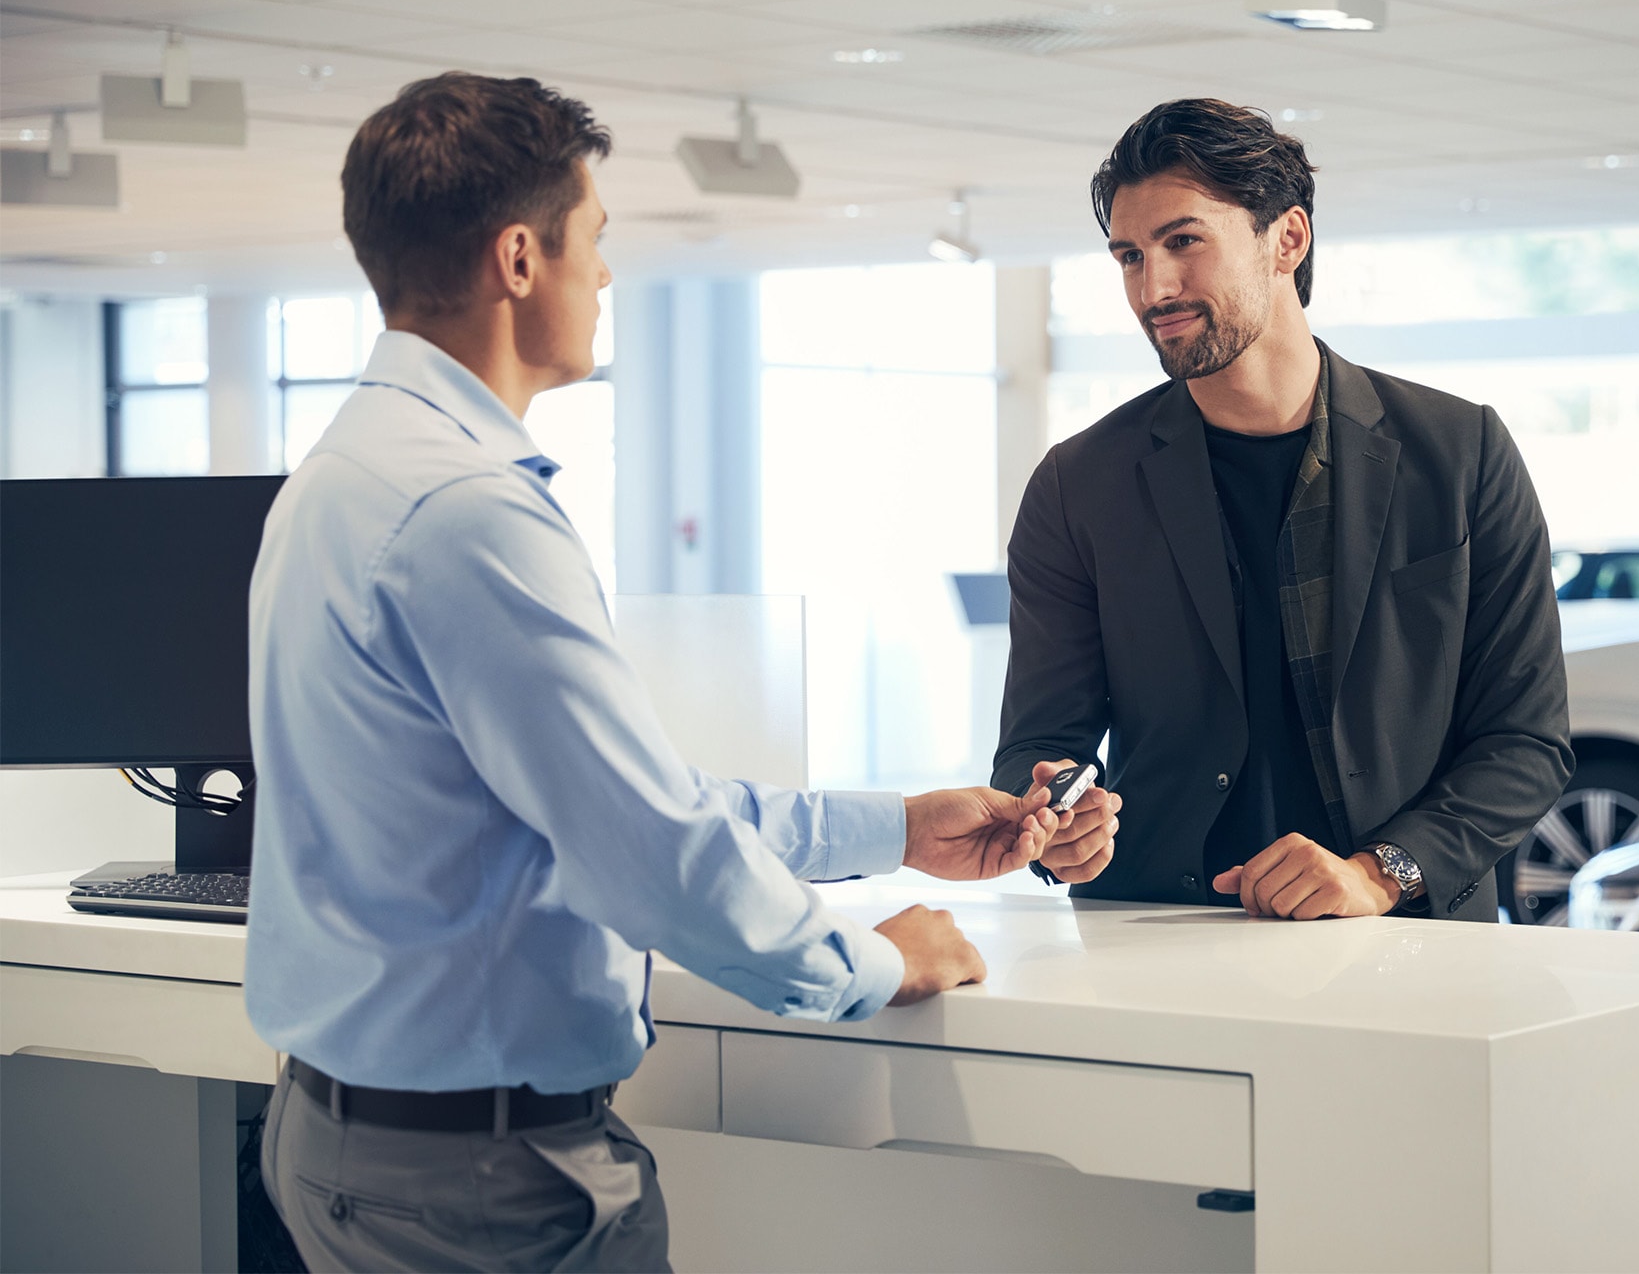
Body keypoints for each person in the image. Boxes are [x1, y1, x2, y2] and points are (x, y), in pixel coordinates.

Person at [246, 72, 1113, 1273]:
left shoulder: (342, 474)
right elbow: (651, 852)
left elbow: (609, 800)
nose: (604, 276)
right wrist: (873, 962)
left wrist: (897, 825)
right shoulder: (470, 514)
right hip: (480, 1184)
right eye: (594, 240)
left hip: (345, 1142)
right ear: (517, 259)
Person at [994, 98, 1571, 922]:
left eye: (1183, 242)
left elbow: (1527, 741)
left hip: (1407, 939)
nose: (1153, 287)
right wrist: (1051, 814)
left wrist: (1380, 871)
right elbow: (1038, 741)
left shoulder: (1460, 450)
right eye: (1129, 256)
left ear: (1287, 240)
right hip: (1161, 936)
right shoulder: (1078, 483)